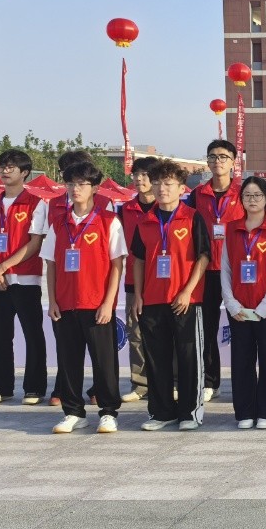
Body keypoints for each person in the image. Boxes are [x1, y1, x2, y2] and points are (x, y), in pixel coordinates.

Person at [41, 160, 126, 434]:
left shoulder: (108, 221)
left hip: (96, 303)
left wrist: (108, 303)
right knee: (68, 361)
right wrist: (52, 300)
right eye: (70, 184)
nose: (75, 189)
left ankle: (109, 412)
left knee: (104, 362)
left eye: (81, 184)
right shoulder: (58, 223)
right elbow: (51, 264)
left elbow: (117, 265)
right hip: (65, 304)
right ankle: (73, 412)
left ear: (95, 188)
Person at [131, 159, 211, 432]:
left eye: (168, 184)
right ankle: (161, 412)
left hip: (185, 301)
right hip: (153, 300)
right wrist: (138, 295)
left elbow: (203, 256)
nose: (161, 188)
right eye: (157, 183)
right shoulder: (145, 221)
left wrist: (188, 291)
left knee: (189, 358)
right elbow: (139, 259)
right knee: (156, 359)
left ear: (181, 188)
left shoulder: (192, 217)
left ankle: (190, 412)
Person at [0, 149, 49, 406]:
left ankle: (34, 388)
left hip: (25, 280)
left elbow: (35, 243)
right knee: (0, 337)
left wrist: (4, 266)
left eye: (11, 167)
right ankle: (2, 387)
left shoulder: (36, 204)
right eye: (2, 167)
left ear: (25, 172)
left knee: (32, 334)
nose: (5, 171)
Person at [222, 175, 266, 430]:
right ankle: (245, 411)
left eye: (257, 195)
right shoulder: (231, 229)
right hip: (239, 308)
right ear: (241, 200)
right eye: (247, 195)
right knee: (242, 360)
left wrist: (265, 306)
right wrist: (231, 303)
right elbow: (226, 268)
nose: (252, 200)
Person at [186, 138, 245, 403]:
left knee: (241, 325)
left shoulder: (244, 193)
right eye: (212, 157)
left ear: (233, 162)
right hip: (206, 270)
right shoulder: (197, 195)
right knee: (207, 327)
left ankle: (243, 379)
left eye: (223, 157)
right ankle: (211, 381)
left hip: (236, 270)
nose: (217, 161)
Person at [118, 154, 160, 402]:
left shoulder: (167, 207)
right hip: (134, 281)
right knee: (135, 332)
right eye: (136, 174)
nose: (139, 179)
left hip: (163, 281)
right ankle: (140, 383)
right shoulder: (125, 210)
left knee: (164, 334)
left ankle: (169, 381)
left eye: (145, 174)